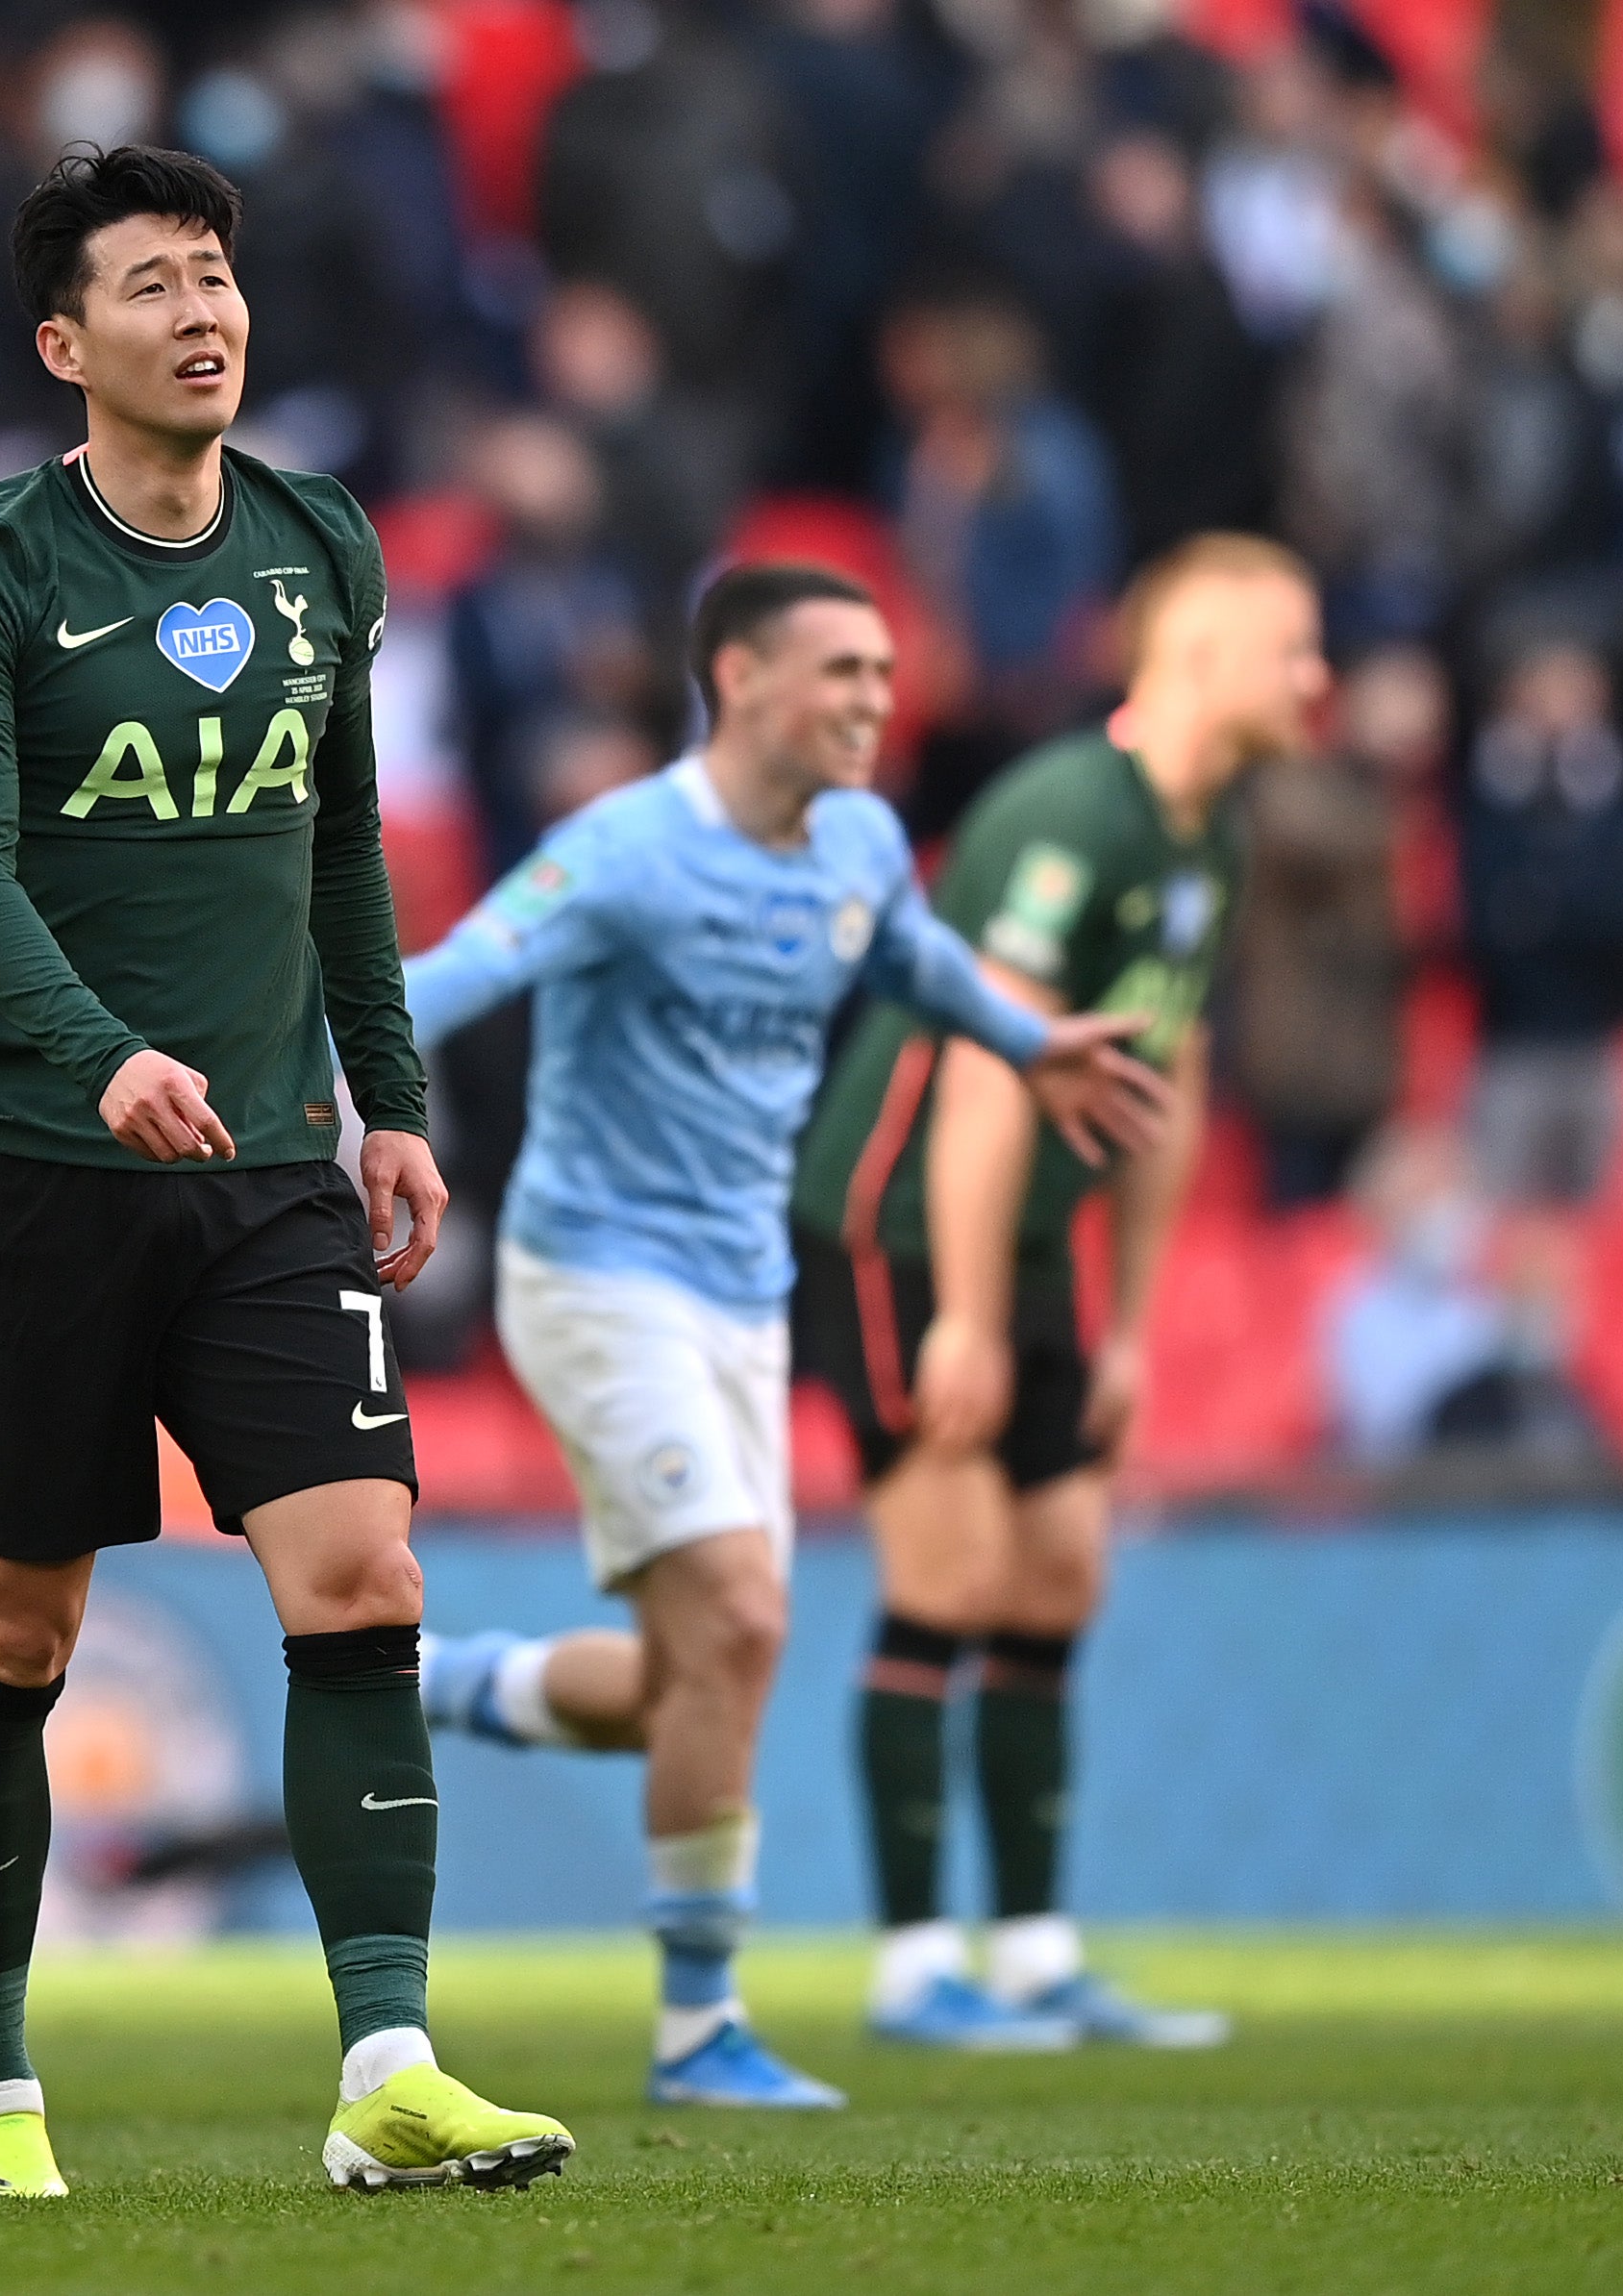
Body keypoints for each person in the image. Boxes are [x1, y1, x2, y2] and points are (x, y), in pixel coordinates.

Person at [0, 142, 568, 2205]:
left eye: (218, 276)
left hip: (271, 1166)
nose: (205, 312)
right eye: (154, 284)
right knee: (14, 1631)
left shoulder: (319, 544)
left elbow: (343, 842)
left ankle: (390, 2069)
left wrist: (392, 1101)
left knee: (363, 1581)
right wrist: (98, 1061)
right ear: (62, 342)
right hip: (32, 1162)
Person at [411, 563, 1169, 2107]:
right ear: (741, 679)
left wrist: (1029, 1045)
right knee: (747, 1619)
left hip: (745, 1299)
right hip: (597, 1280)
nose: (874, 704)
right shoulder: (624, 851)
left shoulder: (860, 840)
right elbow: (461, 970)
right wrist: (319, 1075)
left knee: (696, 1673)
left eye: (885, 675)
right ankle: (700, 2025)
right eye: (841, 673)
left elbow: (900, 952)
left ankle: (428, 1678)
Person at [788, 534, 1321, 2049]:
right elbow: (976, 1068)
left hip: (1024, 1241)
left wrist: (1133, 1325)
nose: (1318, 678)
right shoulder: (1065, 814)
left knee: (1058, 1574)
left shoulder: (1203, 834)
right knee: (946, 1576)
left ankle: (1028, 1949)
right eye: (1293, 648)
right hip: (900, 1225)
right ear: (1204, 658)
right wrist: (959, 1310)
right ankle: (910, 1967)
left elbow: (1163, 1075)